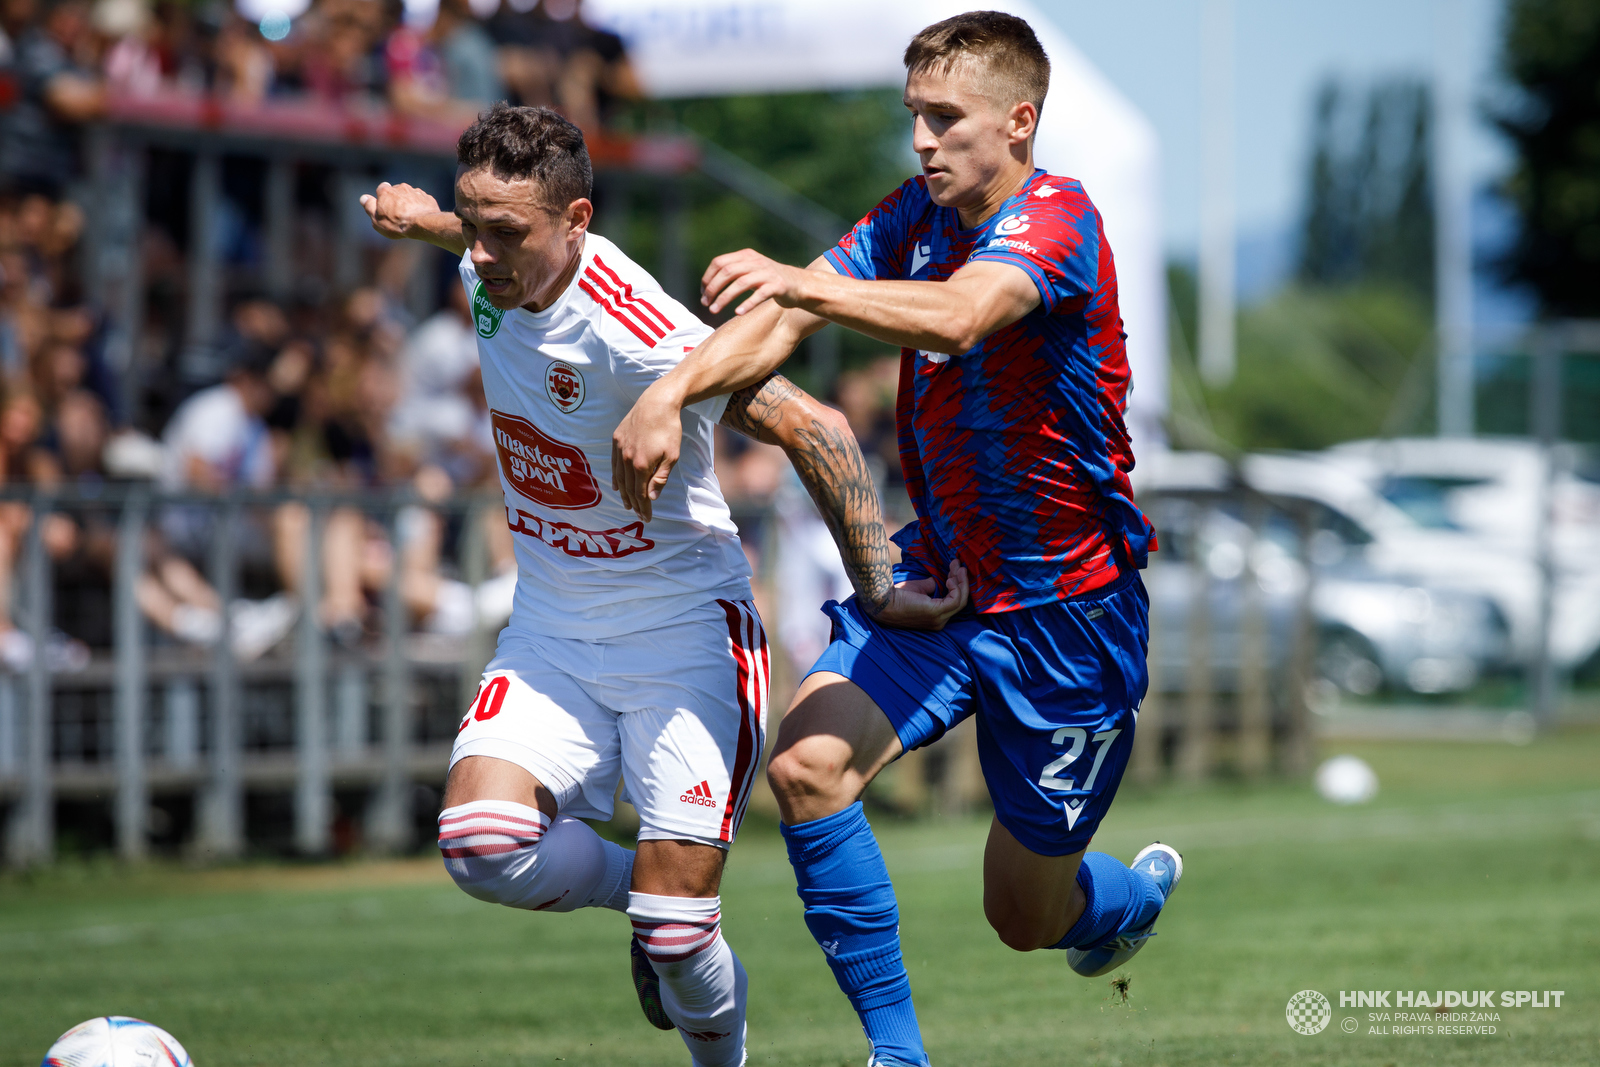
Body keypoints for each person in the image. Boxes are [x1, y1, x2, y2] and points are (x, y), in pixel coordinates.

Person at [611, 12, 1181, 1067]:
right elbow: (780, 326)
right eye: (912, 116)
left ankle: (1124, 897)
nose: (921, 140)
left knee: (1023, 911)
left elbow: (960, 315)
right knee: (808, 765)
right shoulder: (909, 217)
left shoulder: (1058, 219)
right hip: (947, 576)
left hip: (1069, 614)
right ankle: (898, 1053)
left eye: (943, 118)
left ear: (1018, 121)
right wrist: (675, 391)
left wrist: (803, 282)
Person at [357, 102, 932, 1067]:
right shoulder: (489, 254)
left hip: (683, 633)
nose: (486, 253)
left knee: (679, 936)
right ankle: (644, 890)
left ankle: (688, 971)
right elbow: (480, 232)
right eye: (475, 221)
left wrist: (877, 584)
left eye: (508, 233)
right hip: (554, 628)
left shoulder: (640, 334)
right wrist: (423, 220)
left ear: (577, 224)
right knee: (480, 841)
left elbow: (820, 428)